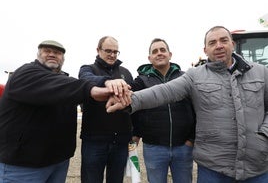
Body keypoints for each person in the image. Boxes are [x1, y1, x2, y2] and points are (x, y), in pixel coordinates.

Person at [106, 26, 268, 183]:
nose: (218, 45)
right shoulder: (194, 76)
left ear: (232, 44)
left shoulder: (261, 72)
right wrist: (129, 101)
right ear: (205, 50)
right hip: (214, 168)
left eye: (223, 40)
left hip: (256, 167)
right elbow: (163, 92)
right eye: (212, 43)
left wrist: (264, 135)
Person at [0, 40, 129, 183]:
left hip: (59, 162)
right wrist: (95, 88)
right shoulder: (26, 73)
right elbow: (79, 82)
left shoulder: (66, 80)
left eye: (57, 53)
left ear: (63, 58)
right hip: (24, 165)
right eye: (47, 51)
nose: (52, 54)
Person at [130, 38, 196, 183]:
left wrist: (191, 139)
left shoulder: (185, 78)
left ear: (170, 54)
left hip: (183, 147)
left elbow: (196, 109)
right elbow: (134, 109)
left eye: (162, 50)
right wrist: (136, 133)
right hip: (154, 148)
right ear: (149, 58)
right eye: (155, 51)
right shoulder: (141, 81)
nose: (159, 53)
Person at [78, 36, 133, 183]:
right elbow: (86, 79)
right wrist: (107, 82)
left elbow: (134, 102)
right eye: (108, 51)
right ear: (98, 50)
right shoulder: (87, 69)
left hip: (121, 141)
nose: (112, 55)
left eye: (116, 51)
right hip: (94, 140)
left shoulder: (126, 73)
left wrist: (135, 133)